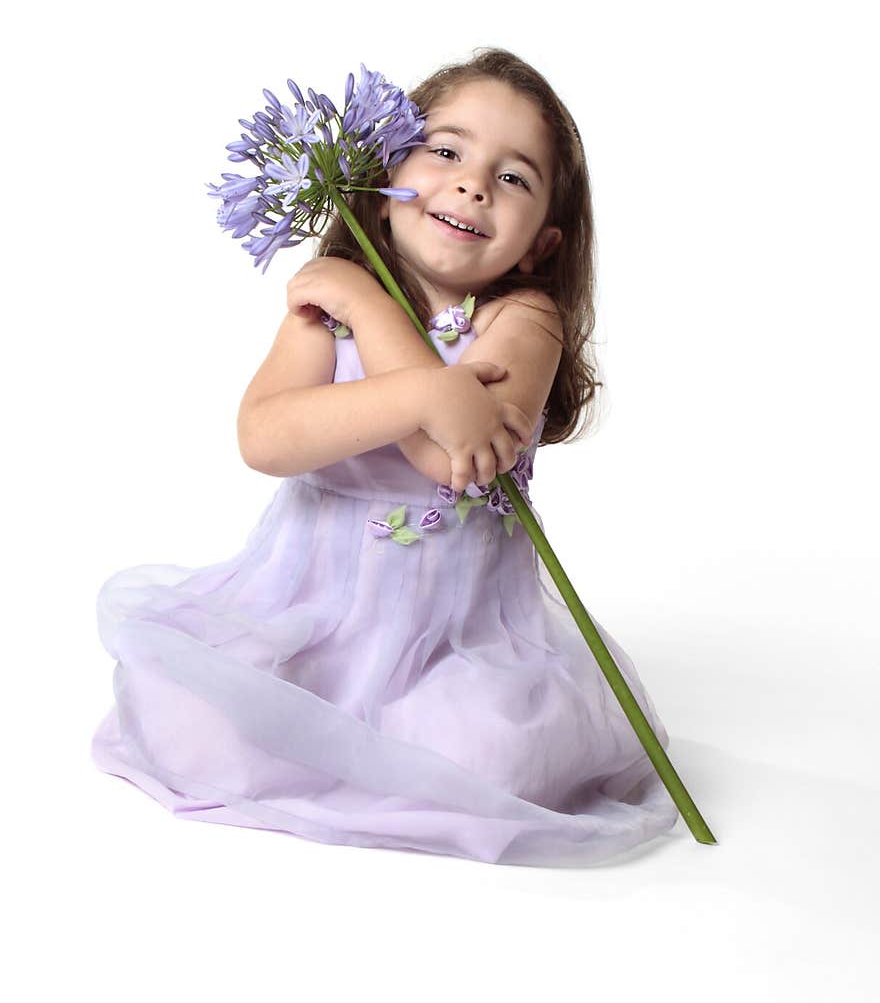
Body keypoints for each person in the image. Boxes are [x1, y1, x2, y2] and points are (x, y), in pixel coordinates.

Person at [91, 48, 679, 867]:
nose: (474, 183)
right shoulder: (324, 302)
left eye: (514, 177)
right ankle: (325, 739)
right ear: (384, 172)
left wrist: (371, 312)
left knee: (495, 756)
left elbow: (461, 460)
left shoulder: (523, 319)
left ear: (544, 242)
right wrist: (423, 383)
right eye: (446, 150)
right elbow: (264, 437)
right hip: (307, 613)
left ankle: (386, 745)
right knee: (196, 721)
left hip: (454, 639)